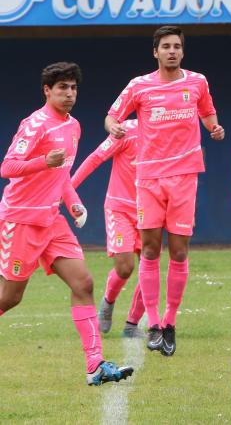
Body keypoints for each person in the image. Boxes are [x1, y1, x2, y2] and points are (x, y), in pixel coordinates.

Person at [0, 62, 133, 385]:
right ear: (47, 91)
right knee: (10, 298)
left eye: (73, 88)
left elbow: (61, 176)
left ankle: (95, 365)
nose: (69, 94)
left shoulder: (73, 126)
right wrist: (41, 161)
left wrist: (73, 203)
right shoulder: (35, 124)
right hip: (22, 219)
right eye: (62, 88)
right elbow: (8, 167)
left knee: (83, 283)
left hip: (52, 221)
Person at [105, 26, 225, 356]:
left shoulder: (197, 82)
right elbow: (112, 116)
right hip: (149, 178)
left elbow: (207, 111)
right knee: (149, 249)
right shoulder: (138, 86)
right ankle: (153, 324)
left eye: (177, 46)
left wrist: (213, 127)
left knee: (181, 251)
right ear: (155, 52)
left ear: (182, 52)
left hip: (185, 175)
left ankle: (170, 323)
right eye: (166, 47)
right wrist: (114, 126)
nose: (172, 51)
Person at [72, 119, 145, 338]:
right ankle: (108, 301)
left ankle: (132, 324)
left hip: (152, 209)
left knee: (149, 269)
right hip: (120, 208)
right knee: (125, 267)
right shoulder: (126, 130)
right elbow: (95, 158)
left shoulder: (168, 132)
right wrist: (67, 189)